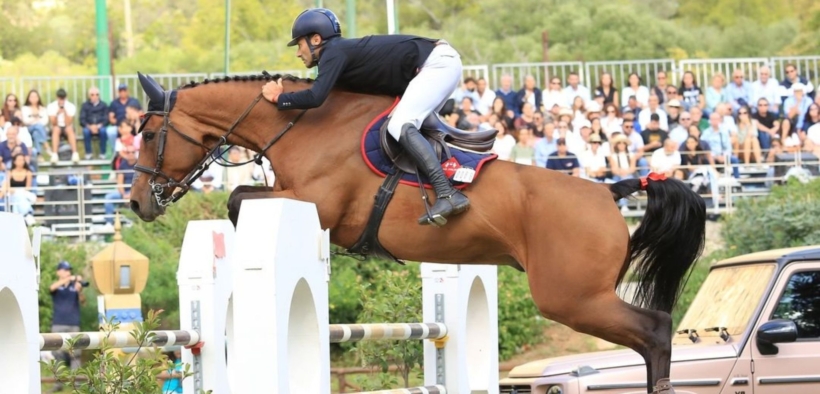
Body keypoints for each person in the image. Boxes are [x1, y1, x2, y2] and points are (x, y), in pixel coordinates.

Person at [261, 8, 470, 227]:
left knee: (399, 125)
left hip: (436, 64)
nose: (298, 52)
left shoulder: (333, 52)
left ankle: (447, 193)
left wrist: (279, 98)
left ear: (316, 39)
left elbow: (315, 97)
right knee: (402, 126)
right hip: (437, 64)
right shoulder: (339, 54)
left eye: (299, 44)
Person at [48, 261, 86, 391]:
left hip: (73, 324)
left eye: (69, 270)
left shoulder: (74, 286)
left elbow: (83, 302)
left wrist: (79, 291)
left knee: (76, 355)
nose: (68, 272)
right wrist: (70, 278)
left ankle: (77, 384)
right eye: (65, 270)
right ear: (59, 272)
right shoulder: (57, 286)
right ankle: (58, 383)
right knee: (57, 354)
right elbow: (51, 288)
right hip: (58, 324)